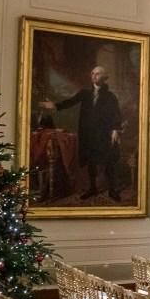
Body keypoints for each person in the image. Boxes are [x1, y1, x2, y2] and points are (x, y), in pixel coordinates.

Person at [40, 65, 122, 201]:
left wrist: (115, 130)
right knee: (91, 162)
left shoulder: (110, 97)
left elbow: (116, 115)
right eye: (93, 74)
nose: (94, 76)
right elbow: (70, 102)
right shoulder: (85, 94)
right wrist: (55, 106)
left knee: (109, 162)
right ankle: (92, 188)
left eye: (98, 74)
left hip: (104, 134)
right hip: (88, 134)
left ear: (104, 78)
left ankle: (113, 190)